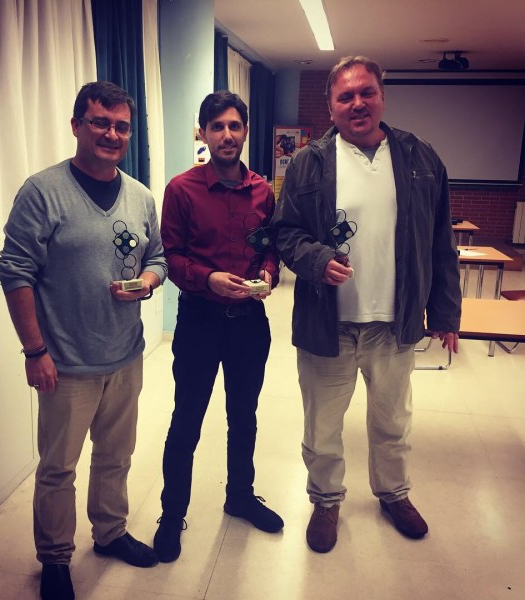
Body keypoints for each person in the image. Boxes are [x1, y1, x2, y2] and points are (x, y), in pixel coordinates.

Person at [272, 56, 461, 553]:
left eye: (366, 93)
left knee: (392, 422)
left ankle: (394, 494)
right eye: (345, 96)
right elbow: (284, 233)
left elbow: (440, 242)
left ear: (382, 96)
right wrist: (317, 260)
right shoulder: (310, 162)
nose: (357, 103)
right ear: (331, 107)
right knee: (322, 427)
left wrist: (445, 313)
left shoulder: (421, 158)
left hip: (394, 324)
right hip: (326, 324)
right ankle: (326, 500)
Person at [0, 81, 167, 599]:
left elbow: (157, 258)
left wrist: (148, 282)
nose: (112, 134)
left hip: (126, 356)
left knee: (116, 457)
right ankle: (54, 559)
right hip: (66, 364)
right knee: (58, 469)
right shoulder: (42, 192)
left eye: (121, 127)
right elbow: (15, 272)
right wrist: (35, 352)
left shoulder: (140, 196)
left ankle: (110, 532)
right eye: (100, 122)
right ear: (77, 125)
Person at [154, 91, 284, 563]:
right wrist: (207, 277)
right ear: (204, 133)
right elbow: (171, 256)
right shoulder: (181, 190)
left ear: (245, 131)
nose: (227, 135)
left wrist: (268, 273)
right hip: (200, 323)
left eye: (234, 126)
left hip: (249, 323)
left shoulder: (262, 191)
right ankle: (172, 515)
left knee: (243, 416)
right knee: (186, 420)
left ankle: (240, 497)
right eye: (217, 127)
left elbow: (271, 248)